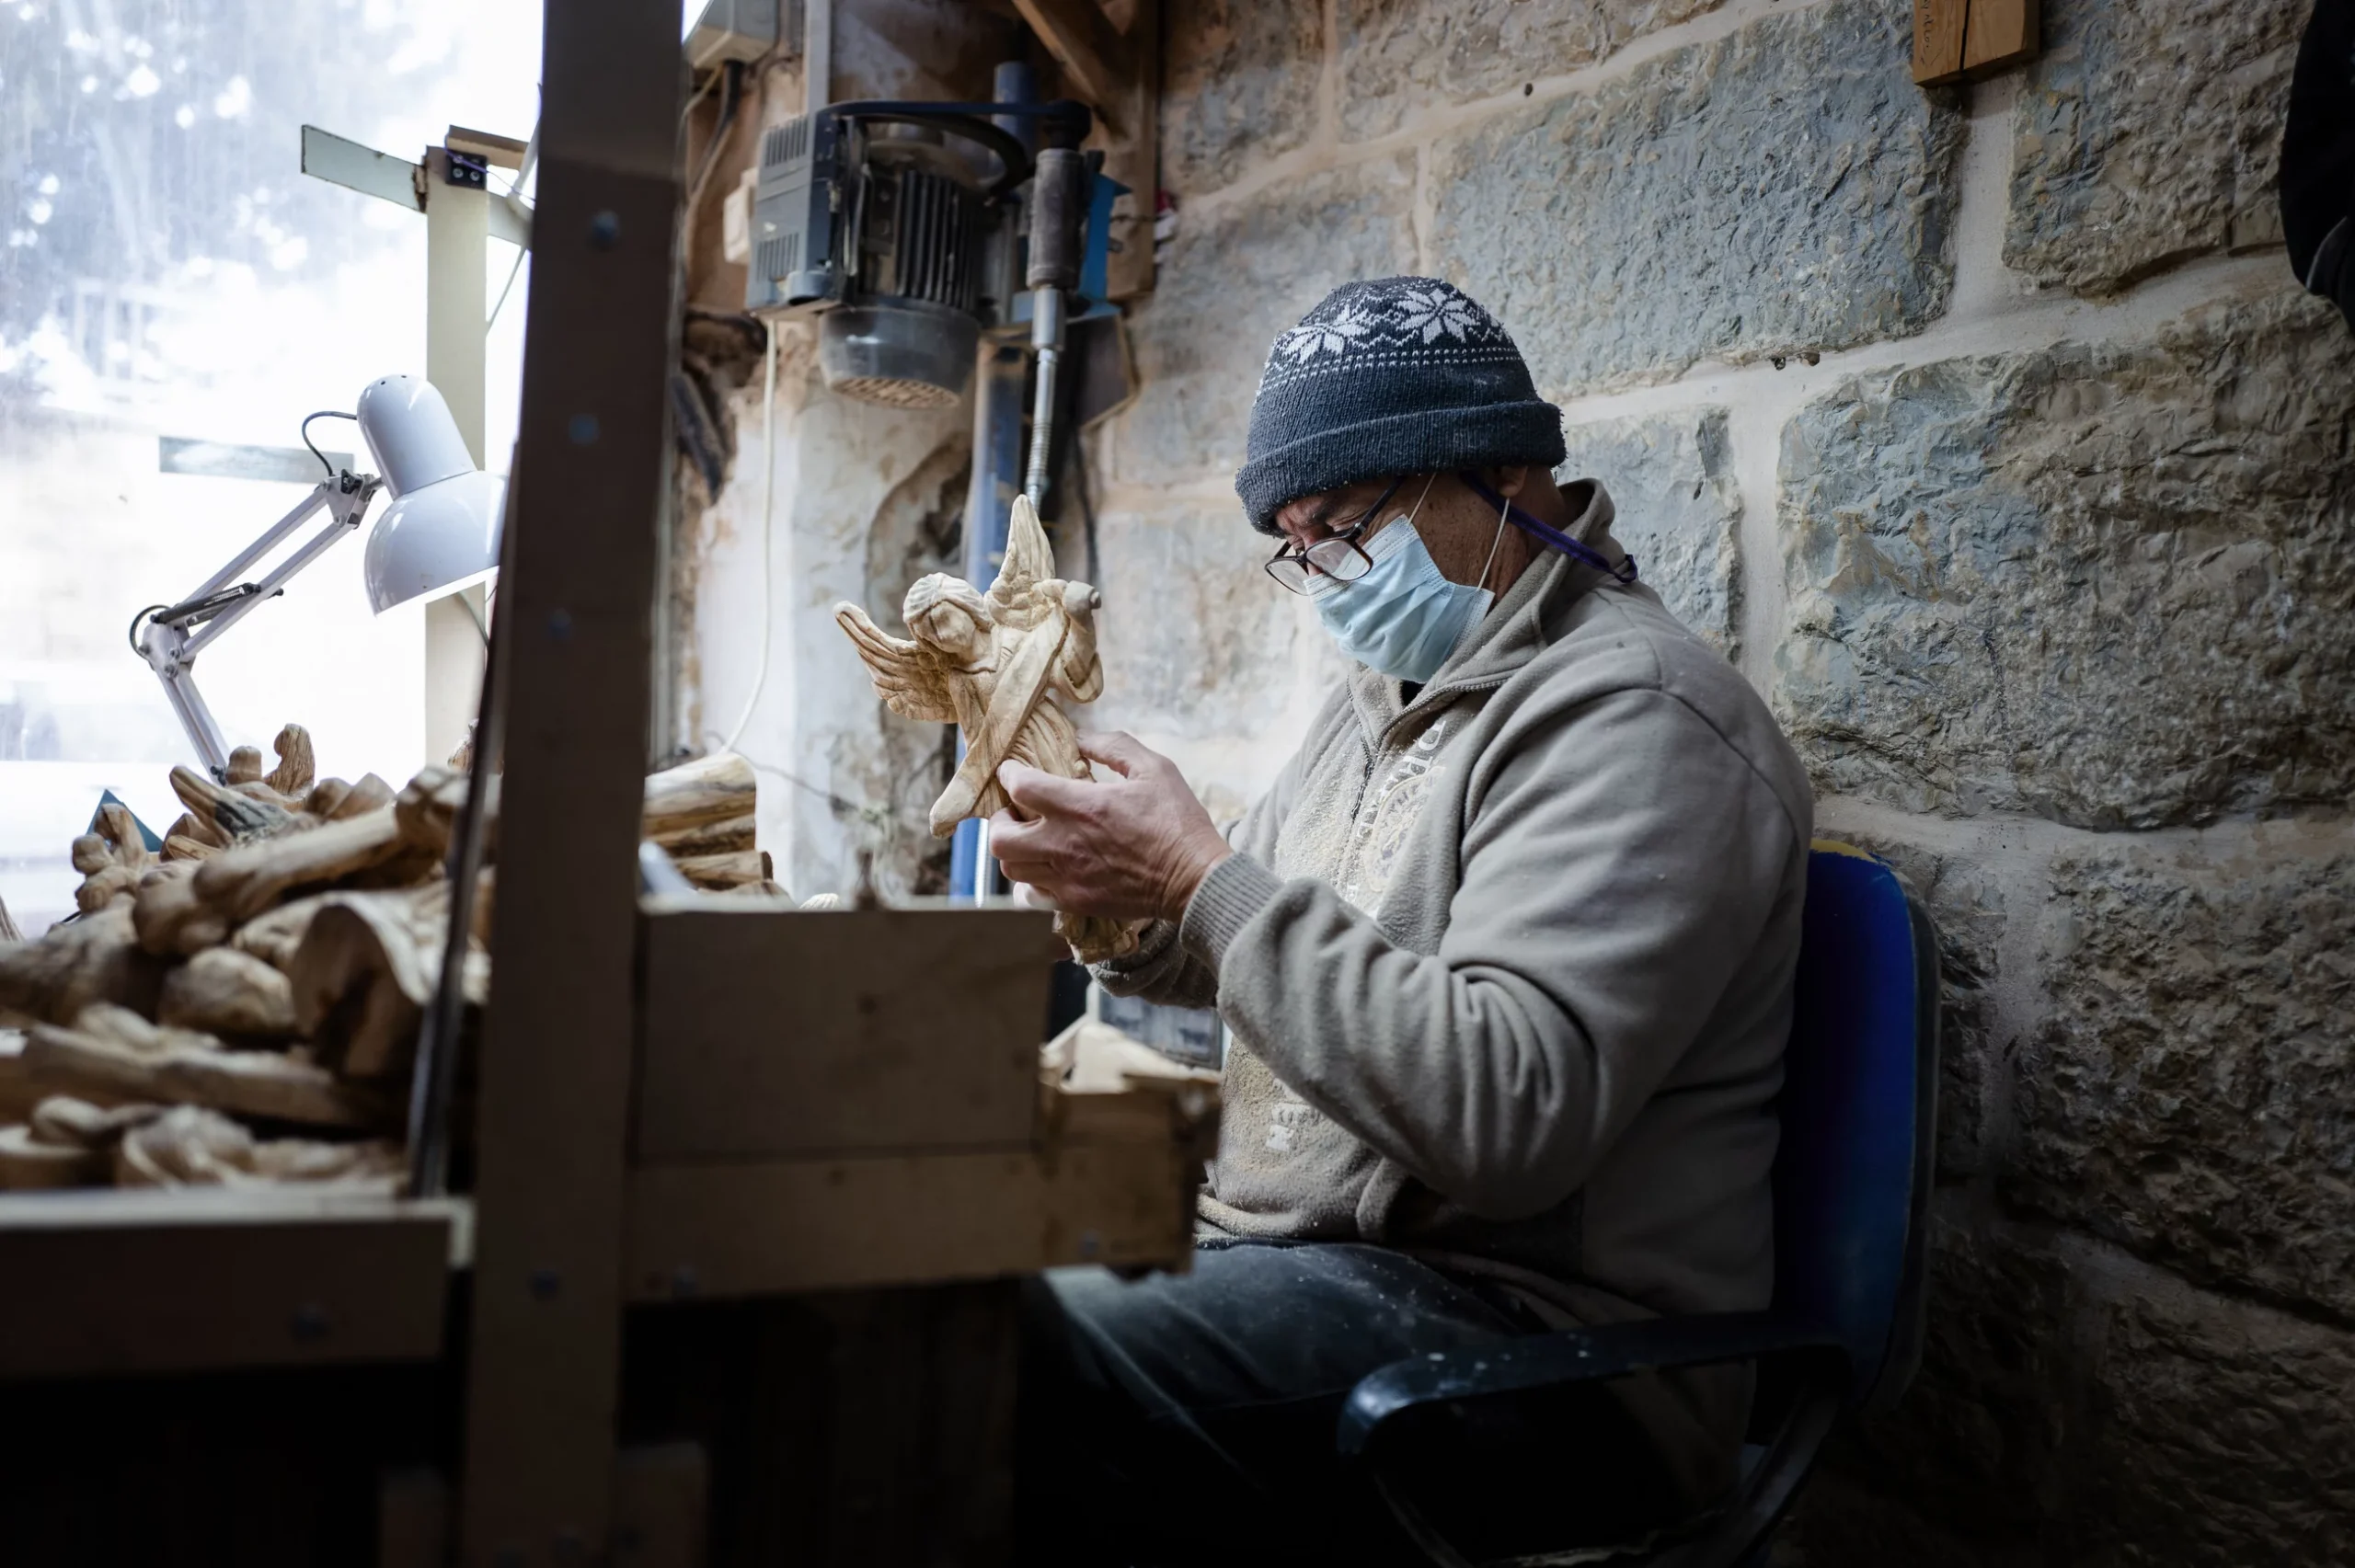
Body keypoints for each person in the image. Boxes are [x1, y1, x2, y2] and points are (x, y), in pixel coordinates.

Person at [993, 277, 1812, 1566]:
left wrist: (1195, 875)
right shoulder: (1386, 697)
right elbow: (1250, 936)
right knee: (918, 1277)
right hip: (1301, 1270)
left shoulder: (1638, 718)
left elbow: (1503, 1115)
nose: (1325, 573)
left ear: (1495, 469)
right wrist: (1120, 898)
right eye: (1297, 542)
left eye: (1347, 523)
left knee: (995, 1362)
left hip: (1540, 1355)